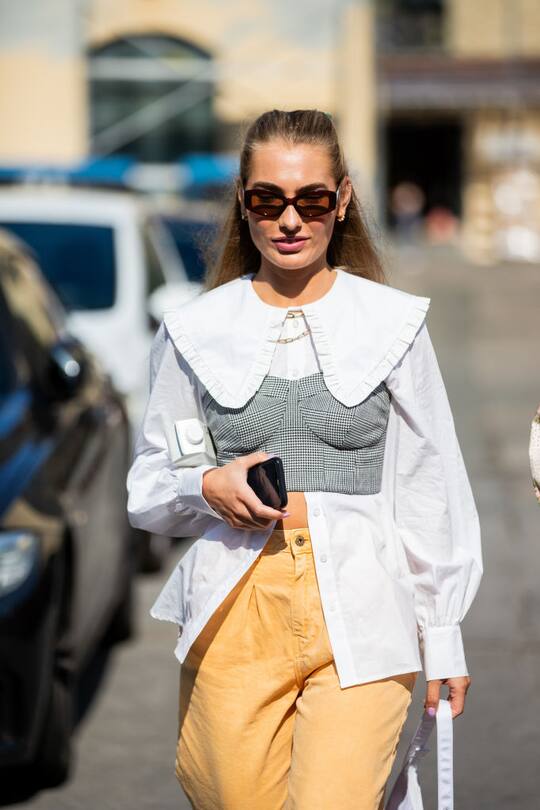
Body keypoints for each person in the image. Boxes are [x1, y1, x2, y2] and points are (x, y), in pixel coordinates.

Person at [126, 109, 483, 810]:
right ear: (243, 200)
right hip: (236, 609)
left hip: (366, 607)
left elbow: (428, 487)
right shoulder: (197, 333)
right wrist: (206, 483)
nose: (291, 220)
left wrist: (443, 637)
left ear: (342, 199)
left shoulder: (392, 326)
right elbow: (151, 483)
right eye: (268, 199)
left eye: (312, 200)